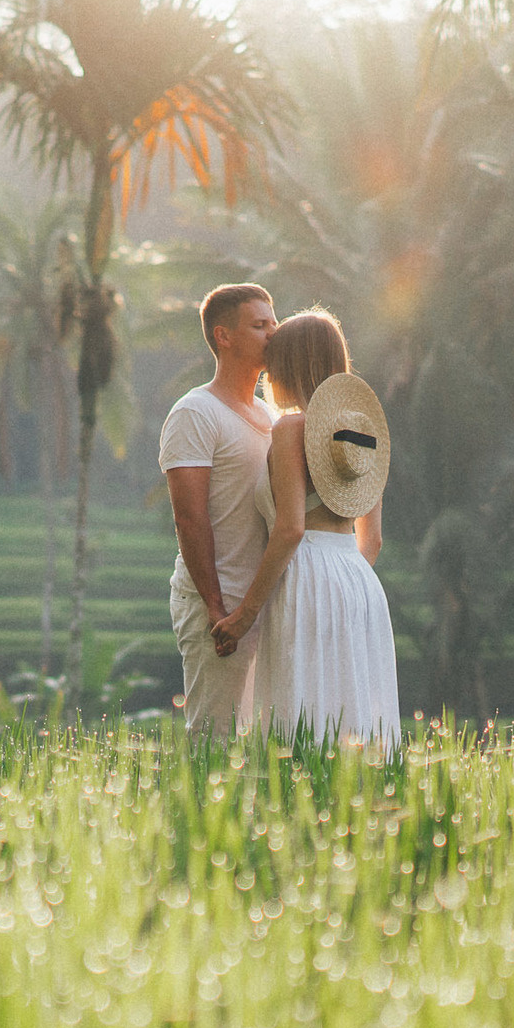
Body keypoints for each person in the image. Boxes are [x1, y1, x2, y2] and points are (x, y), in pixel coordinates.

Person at [212, 309, 400, 749]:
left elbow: (290, 529)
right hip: (358, 579)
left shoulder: (292, 428)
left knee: (301, 714)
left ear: (290, 365)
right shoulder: (363, 432)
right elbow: (372, 539)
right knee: (351, 711)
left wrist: (244, 615)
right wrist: (339, 581)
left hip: (306, 574)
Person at [159, 283, 278, 735]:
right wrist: (216, 607)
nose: (273, 334)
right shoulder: (196, 412)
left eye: (274, 323)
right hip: (221, 606)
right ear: (224, 336)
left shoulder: (272, 417)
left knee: (268, 743)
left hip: (265, 602)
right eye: (260, 325)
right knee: (215, 740)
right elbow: (189, 518)